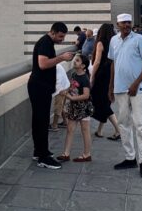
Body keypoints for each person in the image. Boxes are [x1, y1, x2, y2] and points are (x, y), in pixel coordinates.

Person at [109, 13, 142, 178]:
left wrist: (136, 83)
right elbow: (113, 63)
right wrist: (110, 86)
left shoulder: (138, 39)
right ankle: (130, 157)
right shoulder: (113, 41)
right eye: (123, 23)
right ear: (118, 24)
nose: (127, 25)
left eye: (129, 22)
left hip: (138, 89)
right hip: (120, 89)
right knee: (123, 124)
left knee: (141, 125)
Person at [28, 22, 74, 169]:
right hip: (39, 88)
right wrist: (62, 57)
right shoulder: (45, 43)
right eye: (60, 36)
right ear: (53, 32)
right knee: (41, 122)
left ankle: (39, 151)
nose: (62, 40)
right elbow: (43, 64)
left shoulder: (47, 42)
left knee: (39, 120)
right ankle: (43, 158)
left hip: (42, 87)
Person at [57, 53, 94, 162]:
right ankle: (66, 153)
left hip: (83, 107)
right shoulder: (74, 74)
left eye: (77, 60)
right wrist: (66, 90)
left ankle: (87, 154)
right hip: (74, 107)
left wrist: (71, 97)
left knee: (85, 130)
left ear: (83, 66)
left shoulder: (85, 79)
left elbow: (86, 95)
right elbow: (71, 86)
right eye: (75, 60)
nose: (74, 61)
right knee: (70, 129)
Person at [90, 23, 122, 140]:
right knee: (105, 101)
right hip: (112, 74)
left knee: (101, 102)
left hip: (102, 75)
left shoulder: (100, 43)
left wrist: (92, 77)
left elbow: (97, 62)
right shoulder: (115, 43)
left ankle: (119, 130)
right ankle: (100, 130)